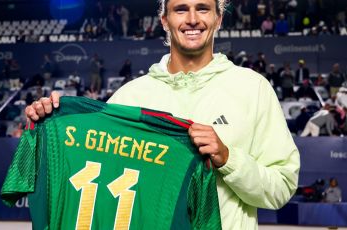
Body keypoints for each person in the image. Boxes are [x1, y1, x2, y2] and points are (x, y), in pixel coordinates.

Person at [24, 0, 300, 229]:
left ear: (218, 19)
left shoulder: (253, 89)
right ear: (165, 20)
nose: (192, 19)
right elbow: (91, 180)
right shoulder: (129, 98)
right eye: (181, 9)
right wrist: (49, 126)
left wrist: (228, 158)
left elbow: (281, 188)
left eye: (203, 8)